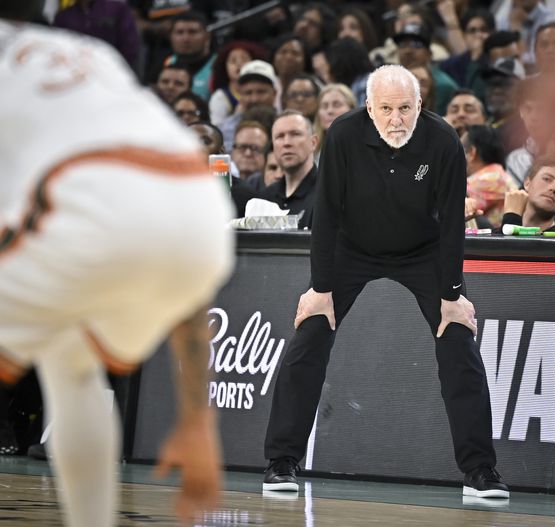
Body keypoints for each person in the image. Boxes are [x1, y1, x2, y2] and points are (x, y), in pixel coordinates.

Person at [0, 4, 233, 525]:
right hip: (199, 207)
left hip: (89, 200)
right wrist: (196, 418)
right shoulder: (92, 53)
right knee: (71, 364)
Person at [261, 65, 509, 499]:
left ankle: (480, 471)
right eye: (387, 109)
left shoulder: (444, 140)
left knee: (459, 342)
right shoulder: (343, 135)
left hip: (424, 251)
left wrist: (452, 295)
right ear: (369, 108)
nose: (397, 119)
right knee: (310, 335)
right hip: (351, 248)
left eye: (406, 108)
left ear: (420, 106)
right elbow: (327, 215)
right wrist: (321, 288)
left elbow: (453, 223)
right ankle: (281, 462)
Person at [259, 110, 318, 229]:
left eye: (295, 134)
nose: (286, 143)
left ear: (313, 142)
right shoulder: (264, 198)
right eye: (279, 136)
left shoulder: (330, 194)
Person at [462, 124, 517, 228]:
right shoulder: (496, 174)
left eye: (459, 149)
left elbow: (447, 203)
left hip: (497, 241)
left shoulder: (489, 179)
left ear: (472, 153)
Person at [501, 155, 555, 230]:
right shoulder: (492, 235)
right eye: (547, 179)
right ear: (527, 183)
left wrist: (512, 217)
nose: (554, 188)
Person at [313, 83, 356, 165]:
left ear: (352, 110)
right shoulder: (311, 153)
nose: (329, 111)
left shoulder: (366, 149)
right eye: (324, 106)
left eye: (336, 105)